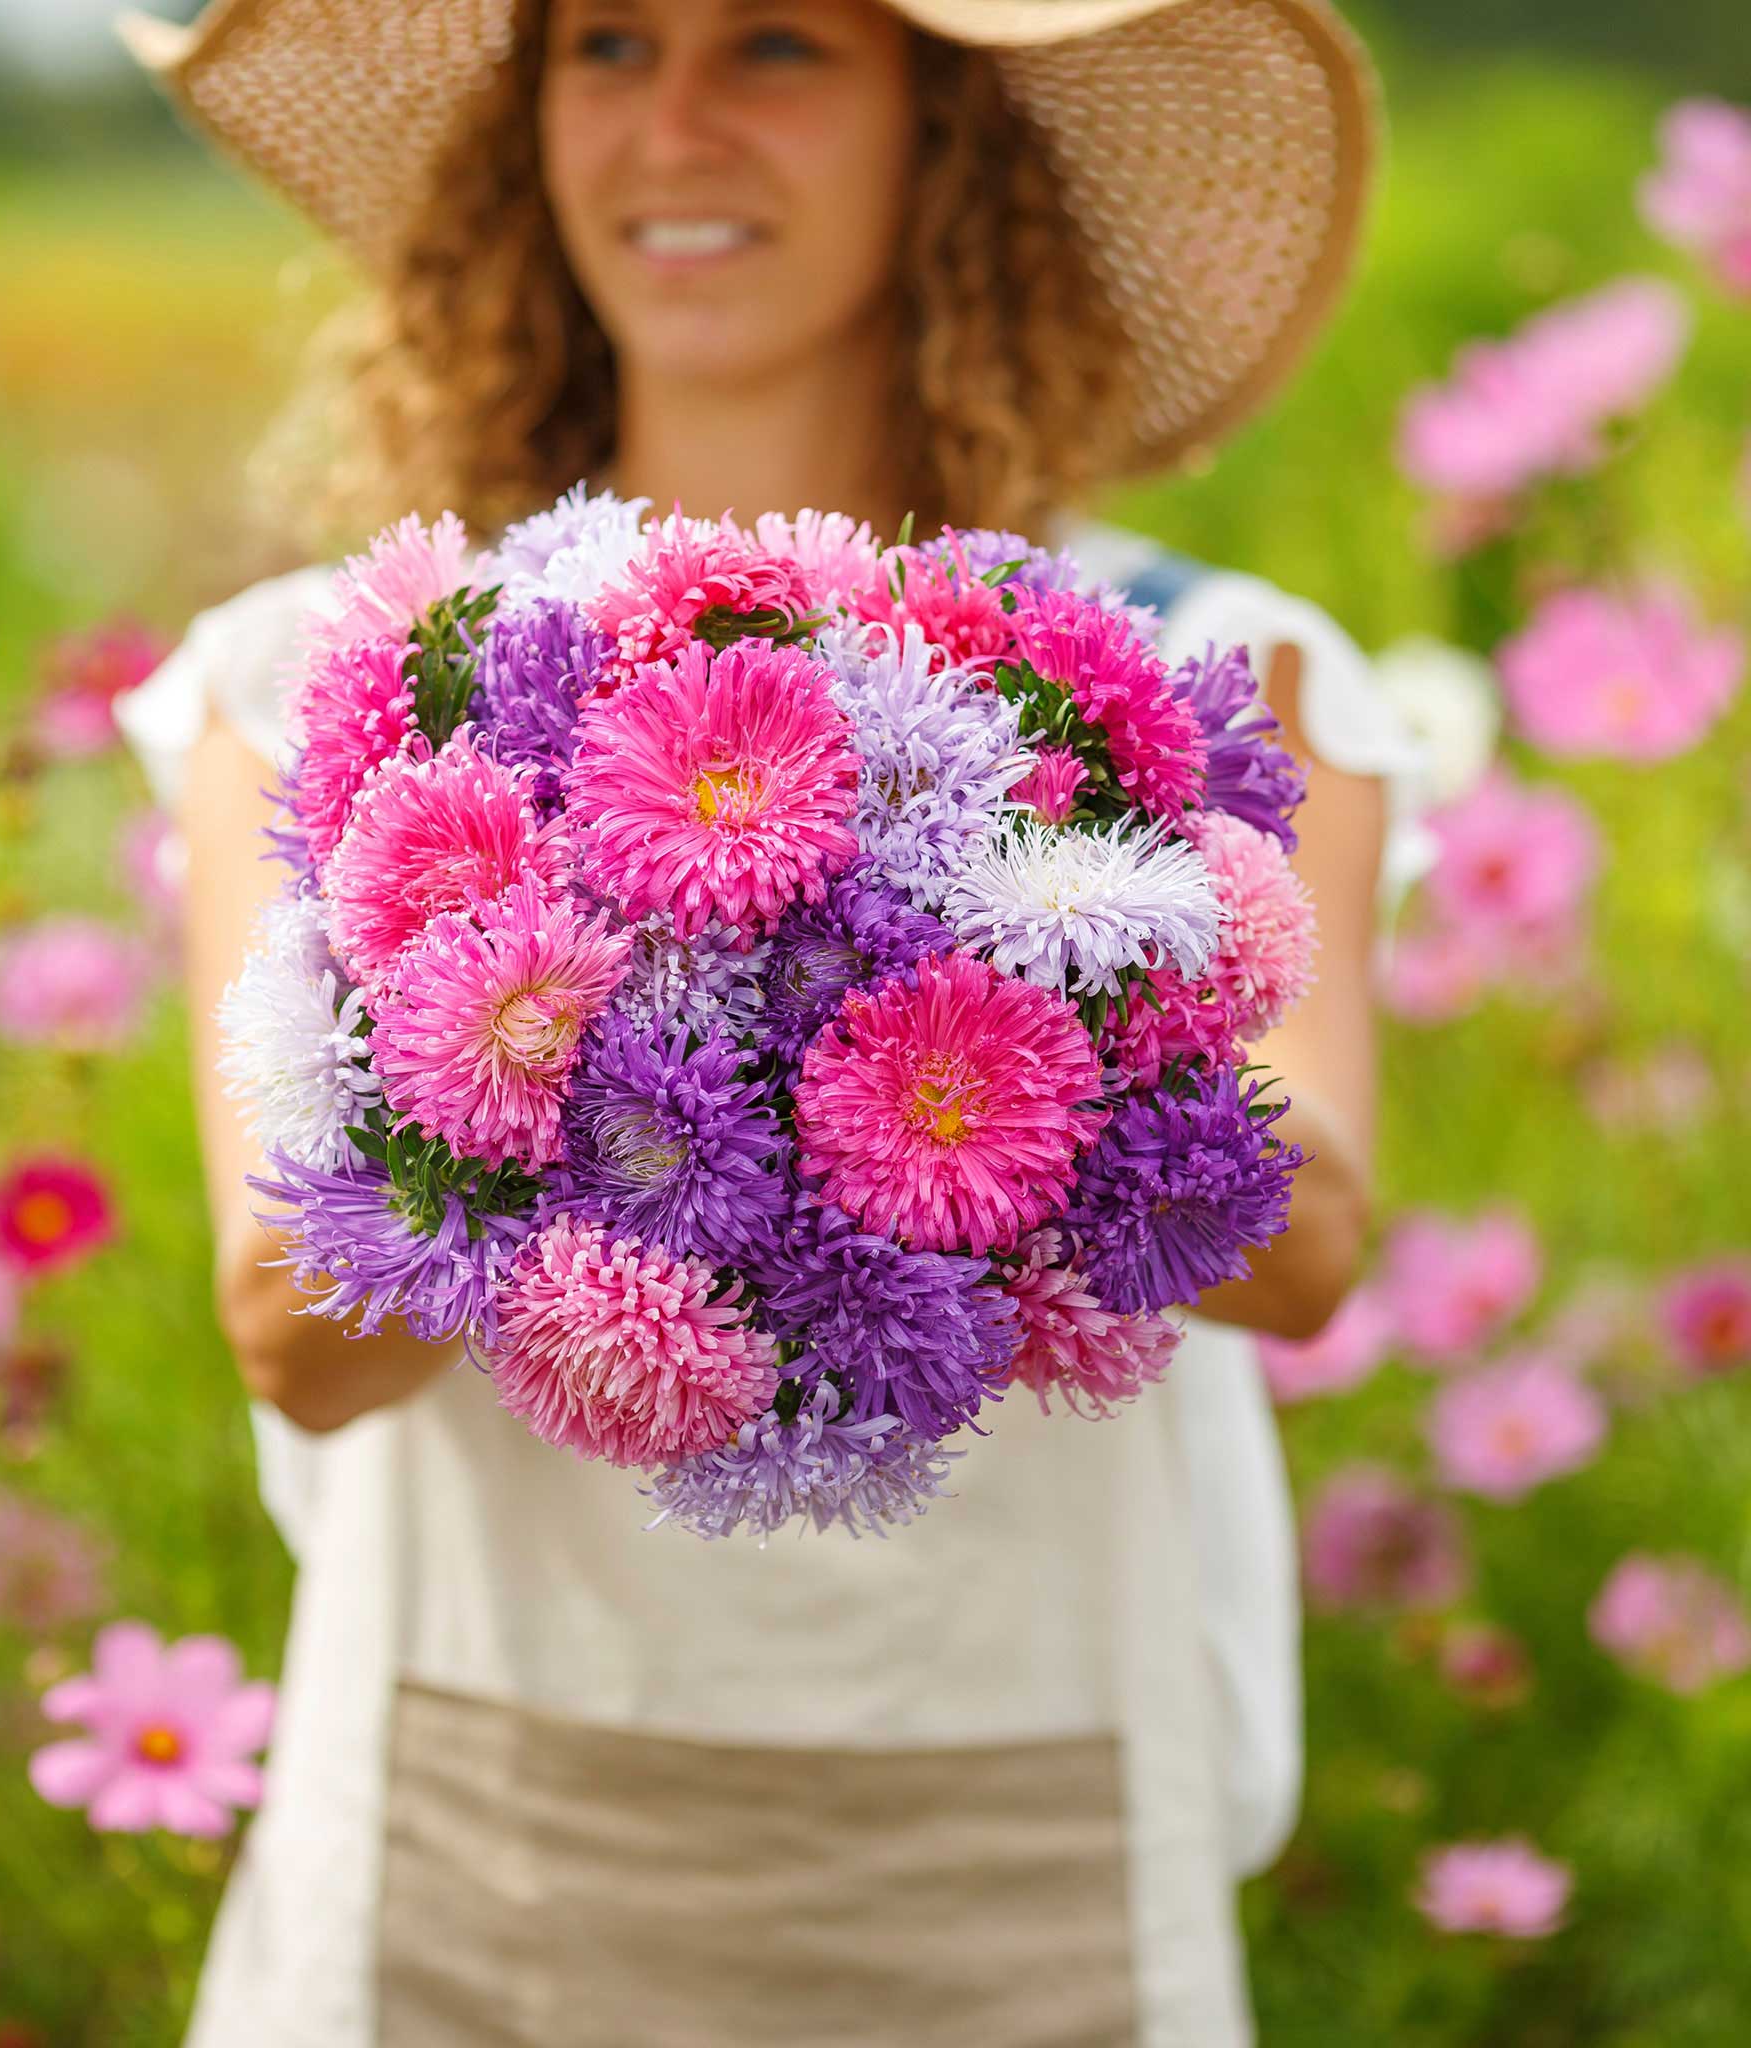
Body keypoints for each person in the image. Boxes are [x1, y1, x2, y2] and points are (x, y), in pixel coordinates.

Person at [112, 2, 1431, 2041]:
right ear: (522, 122)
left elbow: (1306, 1235)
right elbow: (295, 1326)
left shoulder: (1187, 680)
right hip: (478, 1850)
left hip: (1020, 1847)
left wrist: (941, 1033)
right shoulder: (330, 687)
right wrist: (579, 982)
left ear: (948, 126)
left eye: (781, 44)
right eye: (608, 43)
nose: (677, 125)